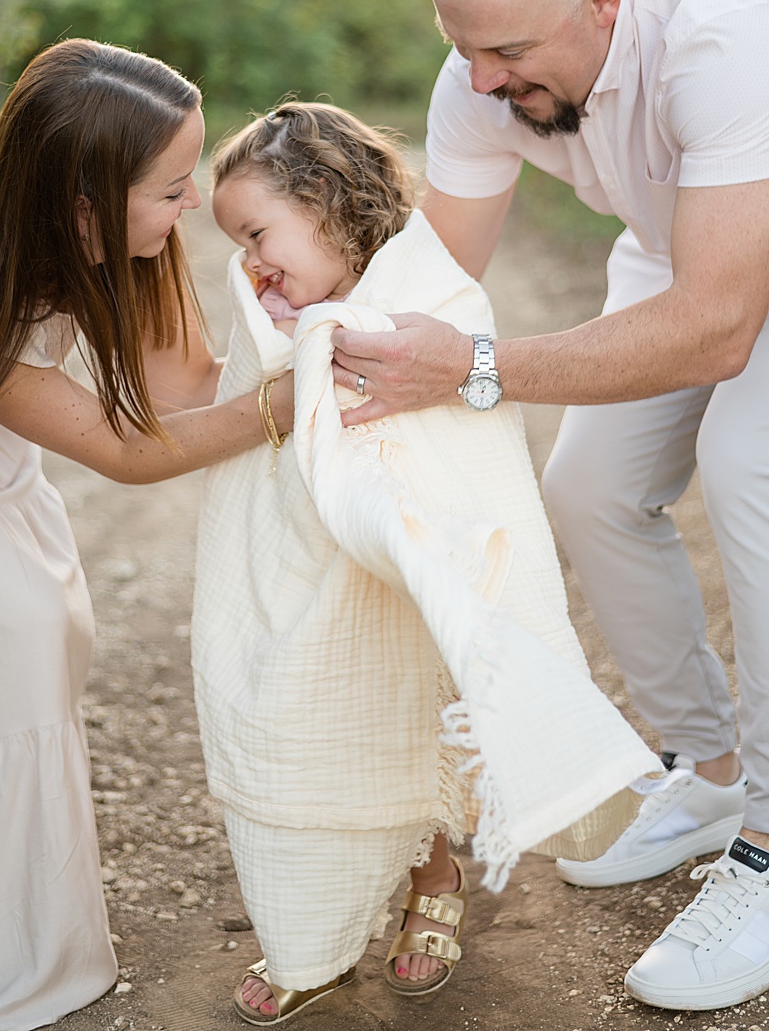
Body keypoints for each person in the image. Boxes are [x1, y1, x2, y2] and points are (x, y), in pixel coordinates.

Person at [333, 0, 769, 1012]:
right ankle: (707, 771)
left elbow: (718, 325)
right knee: (589, 483)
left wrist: (478, 372)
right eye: (464, 50)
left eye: (507, 54)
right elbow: (439, 280)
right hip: (682, 241)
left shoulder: (730, 29)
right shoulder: (481, 69)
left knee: (750, 466)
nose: (483, 81)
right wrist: (322, 333)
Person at [0, 38, 299, 1031]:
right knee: (8, 638)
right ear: (83, 200)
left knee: (51, 636)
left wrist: (284, 316)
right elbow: (129, 451)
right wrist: (294, 399)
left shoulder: (118, 236)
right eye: (171, 188)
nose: (190, 206)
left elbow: (184, 387)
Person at [202, 103, 655, 1024]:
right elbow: (260, 399)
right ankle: (312, 934)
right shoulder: (276, 302)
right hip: (315, 562)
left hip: (419, 560)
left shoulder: (437, 296)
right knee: (314, 716)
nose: (249, 263)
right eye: (238, 244)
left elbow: (468, 439)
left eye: (257, 233)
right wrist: (297, 331)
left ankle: (433, 880)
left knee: (414, 716)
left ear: (325, 201)